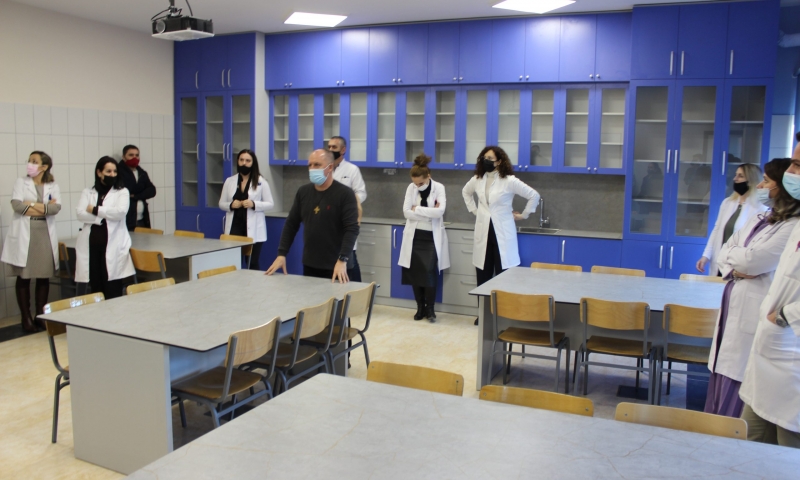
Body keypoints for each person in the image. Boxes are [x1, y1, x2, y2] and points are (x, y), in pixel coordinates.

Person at [704, 159, 800, 418]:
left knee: (738, 391)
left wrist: (738, 258)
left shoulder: (792, 226)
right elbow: (726, 249)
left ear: (781, 187)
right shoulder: (761, 216)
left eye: (766, 181)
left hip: (758, 316)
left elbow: (753, 261)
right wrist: (737, 263)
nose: (759, 186)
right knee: (721, 376)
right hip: (734, 301)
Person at [739, 142, 800, 448]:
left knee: (787, 456)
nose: (790, 171)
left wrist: (786, 315)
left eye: (797, 166)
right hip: (769, 354)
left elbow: (752, 260)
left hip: (791, 359)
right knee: (747, 444)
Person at [462, 146, 539, 324]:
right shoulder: (477, 179)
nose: (486, 161)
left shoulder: (509, 180)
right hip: (484, 233)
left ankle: (503, 317)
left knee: (503, 277)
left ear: (499, 161)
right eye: (484, 157)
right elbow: (465, 192)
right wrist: (474, 211)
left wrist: (524, 215)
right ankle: (483, 316)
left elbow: (533, 195)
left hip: (502, 235)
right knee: (483, 277)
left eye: (490, 158)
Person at [265, 149, 359, 283]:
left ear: (330, 167)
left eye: (317, 165)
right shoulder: (303, 192)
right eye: (310, 165)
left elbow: (352, 229)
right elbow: (291, 224)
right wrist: (281, 254)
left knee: (337, 297)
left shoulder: (345, 194)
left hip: (338, 266)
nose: (312, 169)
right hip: (311, 264)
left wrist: (342, 259)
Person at [1, 151, 61, 333]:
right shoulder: (21, 182)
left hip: (44, 234)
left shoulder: (52, 185)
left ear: (44, 166)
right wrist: (44, 207)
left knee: (43, 276)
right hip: (25, 233)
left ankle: (40, 316)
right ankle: (25, 317)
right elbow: (17, 206)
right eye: (29, 161)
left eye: (34, 161)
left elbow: (55, 208)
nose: (30, 164)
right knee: (24, 276)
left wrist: (32, 205)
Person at [399, 154, 450, 322]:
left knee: (429, 273)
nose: (417, 186)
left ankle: (430, 309)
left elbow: (440, 212)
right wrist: (429, 212)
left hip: (431, 237)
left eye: (420, 183)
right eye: (415, 183)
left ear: (428, 176)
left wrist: (417, 209)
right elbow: (406, 212)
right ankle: (420, 308)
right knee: (415, 273)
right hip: (414, 236)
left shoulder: (439, 188)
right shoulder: (410, 188)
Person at [75, 157, 135, 299]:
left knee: (112, 288)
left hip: (113, 246)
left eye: (115, 171)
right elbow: (80, 214)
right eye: (108, 171)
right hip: (92, 246)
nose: (112, 175)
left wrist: (94, 209)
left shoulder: (122, 192)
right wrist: (101, 217)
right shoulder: (88, 192)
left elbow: (120, 213)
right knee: (96, 287)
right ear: (99, 172)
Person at [697, 164, 766, 276]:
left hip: (739, 264)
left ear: (751, 181)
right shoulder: (727, 203)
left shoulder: (760, 208)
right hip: (720, 261)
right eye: (735, 175)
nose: (735, 179)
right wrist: (706, 256)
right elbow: (717, 230)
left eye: (740, 176)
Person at [218, 149, 274, 270]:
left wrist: (254, 204)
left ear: (253, 163)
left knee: (252, 263)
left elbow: (270, 204)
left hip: (254, 230)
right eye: (241, 160)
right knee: (233, 264)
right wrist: (231, 205)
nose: (244, 163)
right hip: (235, 228)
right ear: (238, 161)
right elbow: (221, 204)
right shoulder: (230, 181)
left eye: (248, 161)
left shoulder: (261, 182)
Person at [328, 136, 367, 281]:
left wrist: (347, 202)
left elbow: (361, 193)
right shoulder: (325, 168)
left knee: (349, 258)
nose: (330, 149)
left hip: (345, 219)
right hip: (328, 220)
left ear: (343, 149)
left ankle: (358, 290)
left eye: (334, 147)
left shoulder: (352, 169)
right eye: (329, 147)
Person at [117, 145, 156, 232]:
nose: (134, 158)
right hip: (126, 221)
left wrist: (135, 196)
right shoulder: (118, 172)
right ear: (123, 157)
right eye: (131, 155)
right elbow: (127, 189)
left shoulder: (141, 172)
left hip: (142, 220)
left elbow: (152, 190)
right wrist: (141, 191)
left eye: (137, 155)